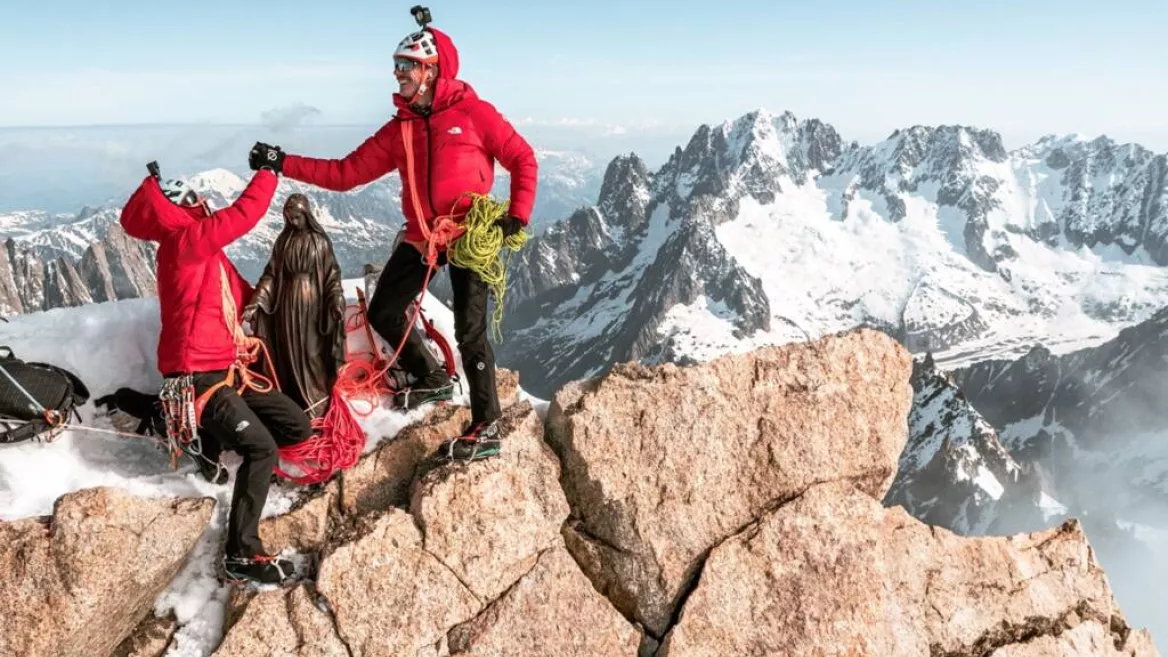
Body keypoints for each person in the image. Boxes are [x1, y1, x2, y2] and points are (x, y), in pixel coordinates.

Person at [247, 13, 537, 461]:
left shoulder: (474, 114)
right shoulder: (400, 129)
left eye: (406, 65)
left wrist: (516, 215)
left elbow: (522, 158)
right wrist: (281, 162)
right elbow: (344, 174)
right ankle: (433, 378)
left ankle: (487, 425)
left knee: (471, 332)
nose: (397, 73)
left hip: (468, 238)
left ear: (431, 70)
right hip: (423, 238)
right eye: (396, 65)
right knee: (384, 310)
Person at [119, 164, 312, 585]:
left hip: (226, 372)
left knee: (296, 425)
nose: (201, 200)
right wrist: (269, 171)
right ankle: (241, 553)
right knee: (261, 449)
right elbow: (243, 215)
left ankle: (200, 435)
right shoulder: (184, 241)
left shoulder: (205, 252)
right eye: (191, 197)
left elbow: (240, 296)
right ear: (176, 208)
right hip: (198, 378)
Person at [245, 193, 347, 418]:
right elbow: (271, 275)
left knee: (311, 353)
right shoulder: (283, 242)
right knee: (287, 353)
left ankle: (316, 404)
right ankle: (294, 403)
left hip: (311, 305)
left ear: (306, 215)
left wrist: (335, 301)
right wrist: (257, 301)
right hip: (285, 304)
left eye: (297, 217)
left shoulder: (320, 242)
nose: (293, 222)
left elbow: (332, 276)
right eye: (289, 218)